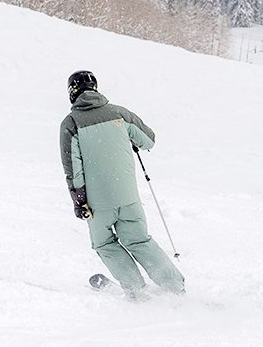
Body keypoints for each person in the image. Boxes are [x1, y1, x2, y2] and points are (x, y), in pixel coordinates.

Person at [60, 71, 185, 301]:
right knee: (139, 240)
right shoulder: (119, 113)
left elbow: (73, 168)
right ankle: (175, 286)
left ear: (72, 93)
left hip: (98, 203)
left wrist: (79, 201)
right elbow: (149, 140)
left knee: (104, 243)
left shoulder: (71, 124)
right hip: (128, 196)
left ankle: (135, 289)